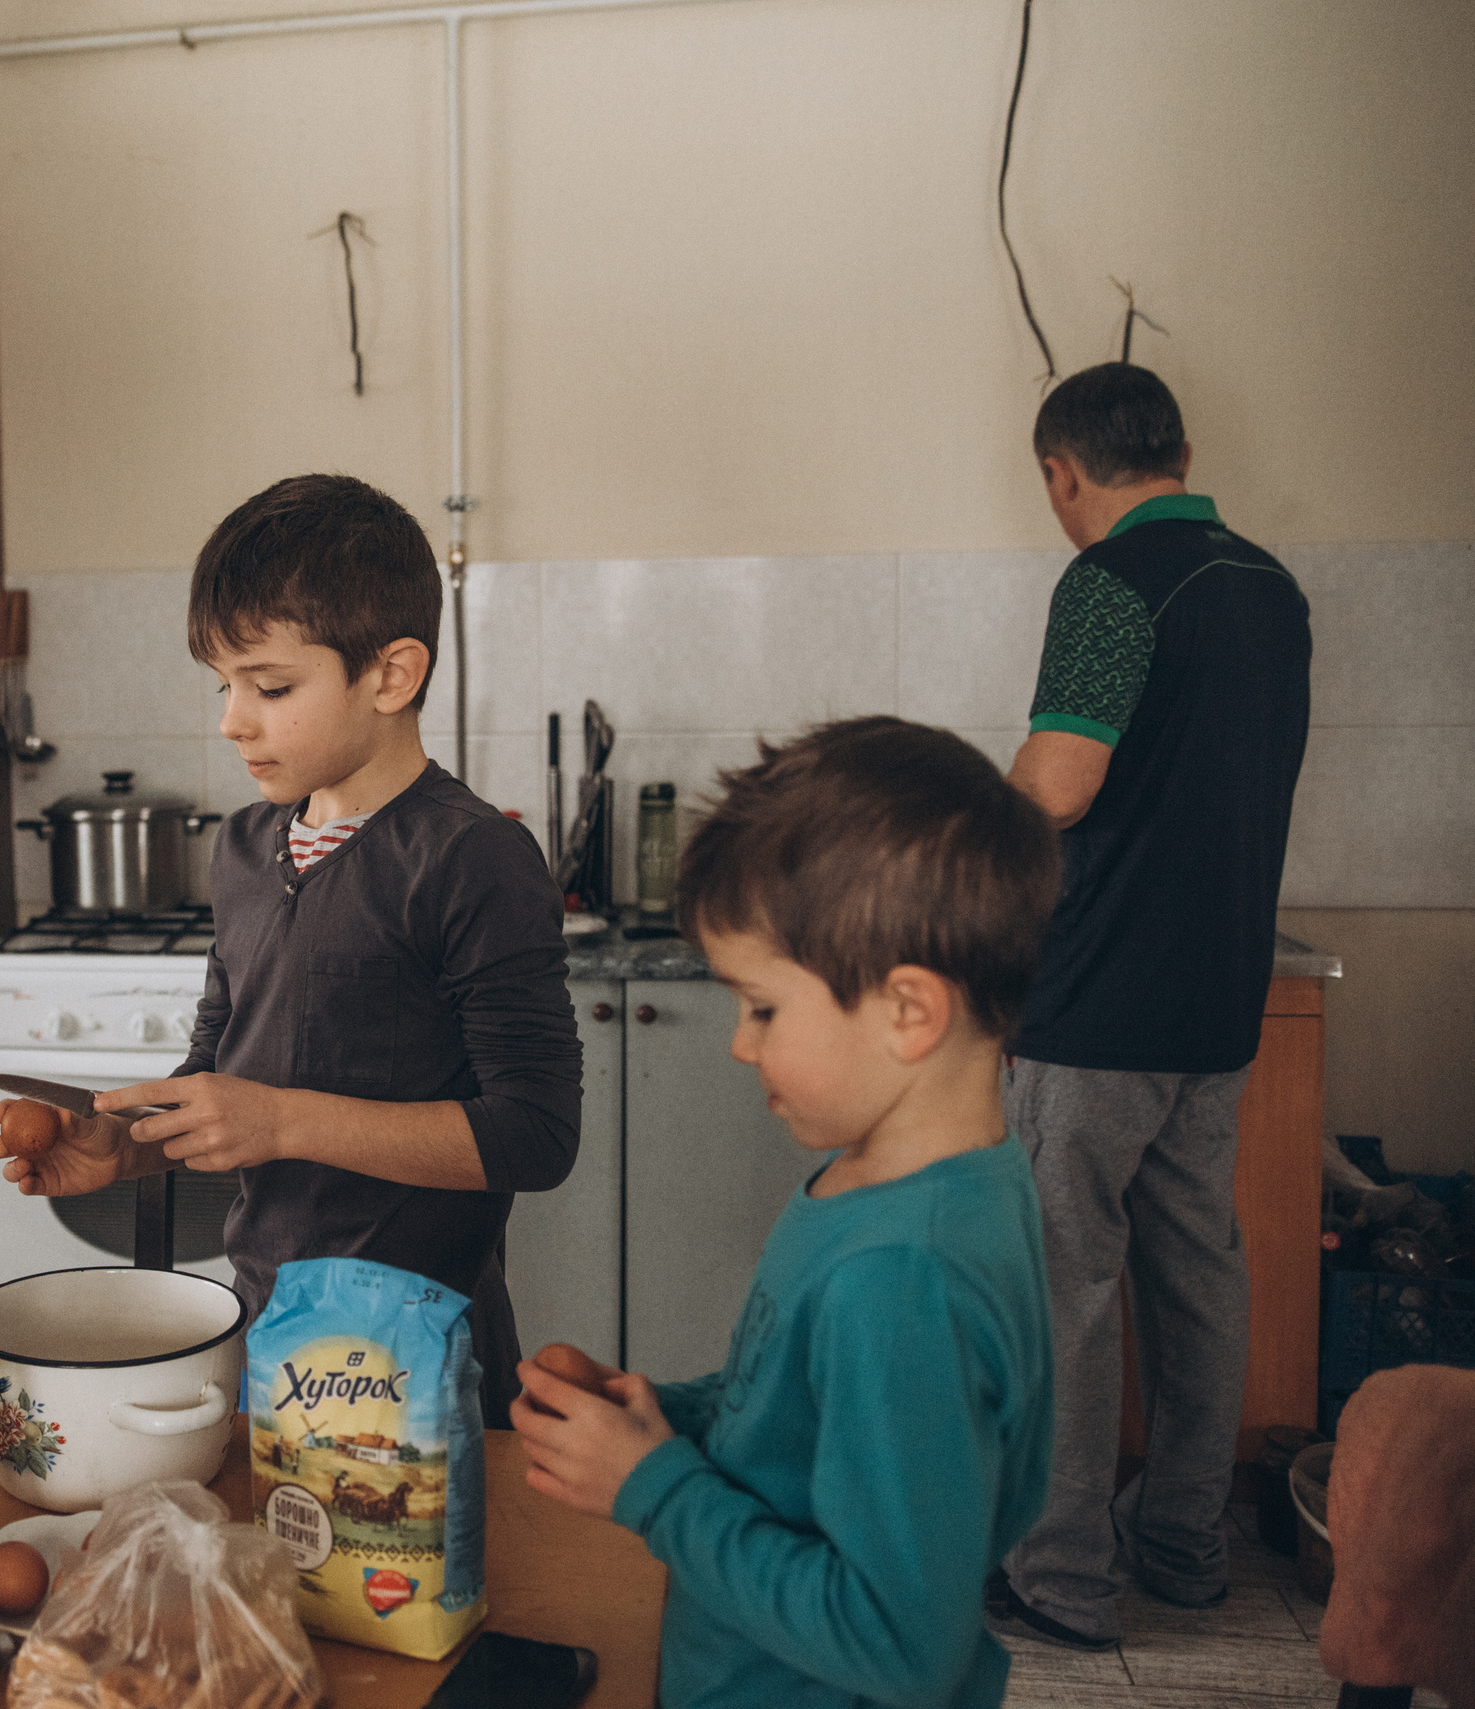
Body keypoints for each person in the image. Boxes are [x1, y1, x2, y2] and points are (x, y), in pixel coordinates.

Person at [0, 473, 583, 1422]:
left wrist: (282, 1121)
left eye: (270, 686)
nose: (232, 718)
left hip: (419, 1360)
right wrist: (127, 1150)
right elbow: (217, 1076)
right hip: (268, 1335)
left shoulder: (475, 858)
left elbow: (537, 1134)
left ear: (391, 675)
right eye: (224, 684)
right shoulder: (241, 849)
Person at [513, 717, 1062, 1709]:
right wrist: (660, 1418)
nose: (739, 1043)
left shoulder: (905, 1275)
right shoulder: (915, 1183)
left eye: (761, 1006)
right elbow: (802, 1416)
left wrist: (655, 1487)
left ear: (909, 1010)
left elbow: (901, 1644)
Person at [991, 362, 1313, 1649]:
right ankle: (1181, 1546)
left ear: (1064, 475)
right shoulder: (1268, 587)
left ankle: (1058, 1575)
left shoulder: (1110, 582)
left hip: (1099, 1000)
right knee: (1197, 1273)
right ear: (1180, 448)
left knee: (1064, 1280)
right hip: (1218, 997)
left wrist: (974, 823)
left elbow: (1060, 783)